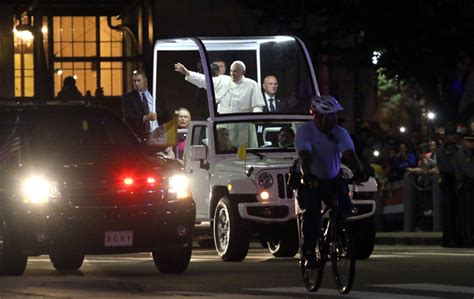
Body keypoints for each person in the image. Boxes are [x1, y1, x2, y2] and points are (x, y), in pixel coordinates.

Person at [294, 96, 367, 269]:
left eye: (335, 115)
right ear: (318, 116)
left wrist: (360, 171)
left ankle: (338, 237)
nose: (333, 119)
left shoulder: (339, 132)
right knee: (311, 213)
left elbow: (349, 152)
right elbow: (305, 156)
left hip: (333, 178)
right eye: (329, 116)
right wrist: (307, 175)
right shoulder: (305, 132)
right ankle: (309, 253)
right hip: (311, 179)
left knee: (344, 208)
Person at [174, 60, 265, 114]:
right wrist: (188, 73)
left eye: (236, 71)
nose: (232, 74)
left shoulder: (252, 84)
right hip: (224, 123)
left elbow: (258, 106)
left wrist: (254, 118)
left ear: (243, 72)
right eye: (231, 71)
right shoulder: (223, 80)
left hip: (244, 125)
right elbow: (204, 80)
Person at [437, 124, 460, 247]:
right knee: (449, 211)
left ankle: (454, 237)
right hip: (448, 182)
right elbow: (448, 167)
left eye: (454, 134)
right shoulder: (443, 150)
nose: (454, 136)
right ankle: (449, 238)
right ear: (446, 136)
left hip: (456, 182)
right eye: (451, 134)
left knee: (455, 212)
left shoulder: (456, 148)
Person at [122, 70, 159, 140]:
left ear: (146, 82)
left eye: (139, 80)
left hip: (159, 133)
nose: (136, 83)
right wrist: (146, 117)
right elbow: (128, 118)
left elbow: (165, 113)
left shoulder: (155, 95)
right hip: (142, 136)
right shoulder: (128, 98)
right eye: (134, 81)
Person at [454, 130, 474, 247]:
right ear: (463, 142)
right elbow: (470, 171)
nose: (472, 143)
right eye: (469, 141)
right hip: (466, 187)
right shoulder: (462, 154)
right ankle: (467, 237)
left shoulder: (471, 153)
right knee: (467, 214)